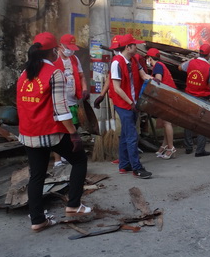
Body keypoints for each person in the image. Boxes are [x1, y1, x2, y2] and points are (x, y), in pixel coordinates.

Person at [16, 32, 91, 232]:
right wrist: (73, 133)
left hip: (28, 132)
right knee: (79, 160)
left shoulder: (24, 73)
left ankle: (38, 220)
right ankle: (73, 205)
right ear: (53, 51)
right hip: (49, 131)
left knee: (36, 175)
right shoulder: (54, 72)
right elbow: (60, 109)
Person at [106, 34, 153, 178]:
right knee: (132, 135)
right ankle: (137, 168)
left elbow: (143, 75)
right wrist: (130, 102)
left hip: (133, 101)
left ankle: (124, 164)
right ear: (128, 47)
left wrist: (154, 81)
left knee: (126, 134)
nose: (137, 47)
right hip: (123, 103)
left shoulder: (134, 60)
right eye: (134, 45)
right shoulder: (116, 63)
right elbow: (117, 88)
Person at [52, 34, 89, 168]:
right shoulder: (54, 59)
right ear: (60, 46)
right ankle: (57, 160)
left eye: (72, 48)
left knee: (73, 127)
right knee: (59, 130)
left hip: (73, 99)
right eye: (68, 48)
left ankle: (66, 155)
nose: (70, 51)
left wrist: (84, 89)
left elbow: (81, 76)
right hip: (59, 101)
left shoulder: (74, 58)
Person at [179, 43, 210, 157]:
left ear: (199, 53)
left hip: (189, 96)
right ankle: (200, 150)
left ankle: (188, 147)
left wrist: (190, 60)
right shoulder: (209, 67)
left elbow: (179, 67)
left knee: (188, 121)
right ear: (209, 54)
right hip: (202, 97)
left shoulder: (191, 63)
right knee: (202, 123)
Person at [146, 47, 177, 159]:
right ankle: (164, 146)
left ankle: (171, 148)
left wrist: (149, 79)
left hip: (167, 96)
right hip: (170, 96)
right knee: (165, 123)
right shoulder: (161, 65)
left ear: (150, 58)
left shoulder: (158, 66)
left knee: (167, 123)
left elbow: (158, 80)